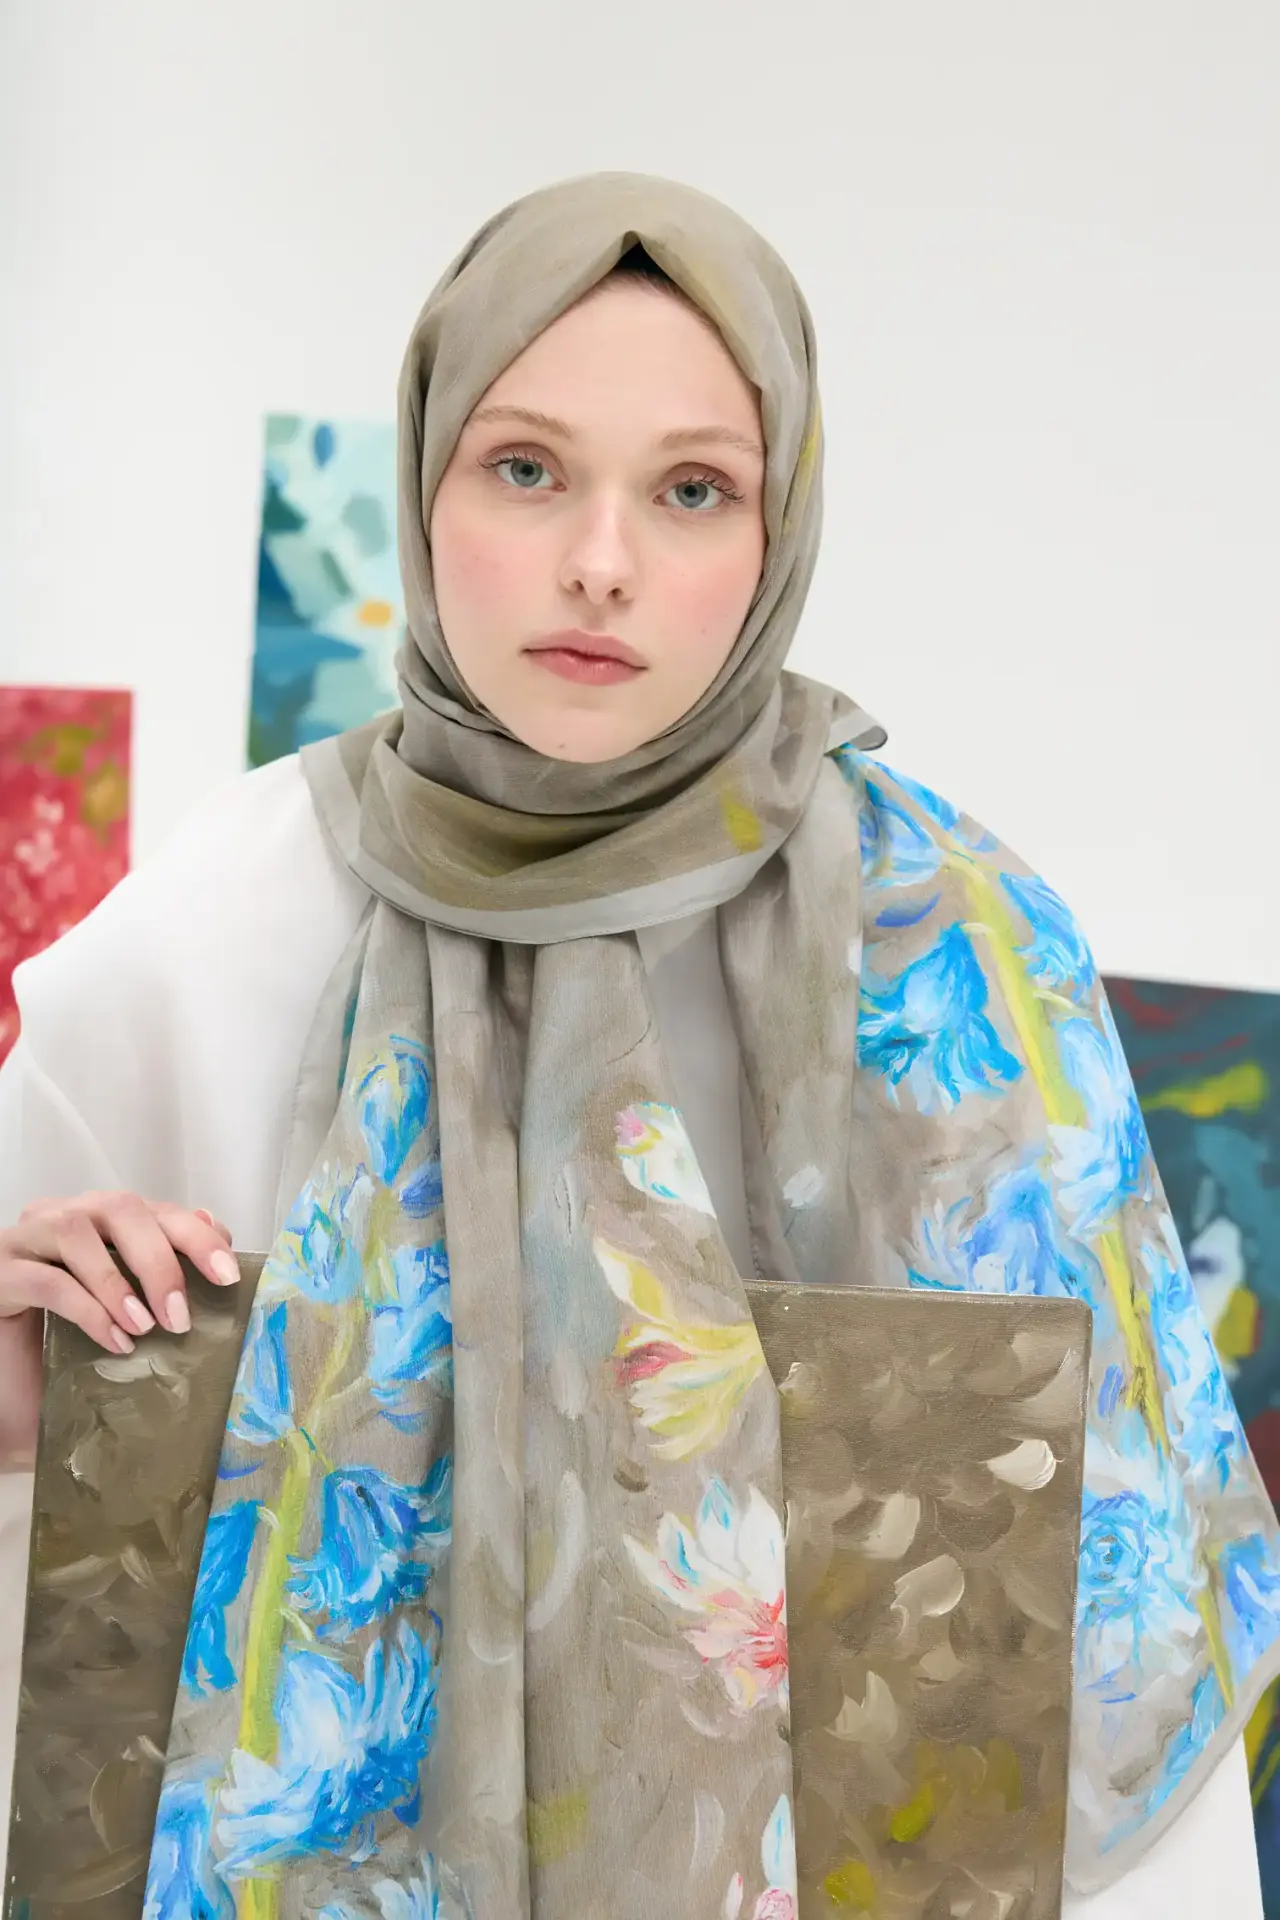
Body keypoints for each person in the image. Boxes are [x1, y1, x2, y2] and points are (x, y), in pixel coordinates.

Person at [0, 172, 1274, 1918]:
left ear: (779, 527)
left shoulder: (966, 958)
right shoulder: (211, 938)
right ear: (426, 481)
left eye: (691, 491)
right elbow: (74, 1627)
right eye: (526, 469)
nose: (601, 562)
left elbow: (1113, 1641)